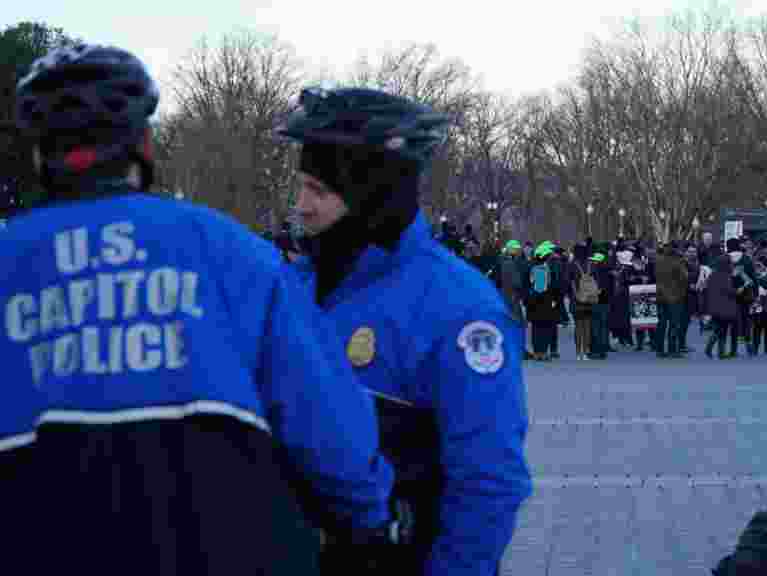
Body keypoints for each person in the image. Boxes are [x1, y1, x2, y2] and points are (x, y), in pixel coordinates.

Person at [5, 44, 400, 574]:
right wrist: (369, 520)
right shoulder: (232, 250)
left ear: (38, 156)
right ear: (144, 145)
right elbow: (327, 420)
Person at [278, 85, 532, 575]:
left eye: (319, 190)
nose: (301, 205)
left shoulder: (456, 306)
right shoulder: (292, 287)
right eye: (302, 186)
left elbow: (489, 481)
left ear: (370, 194)